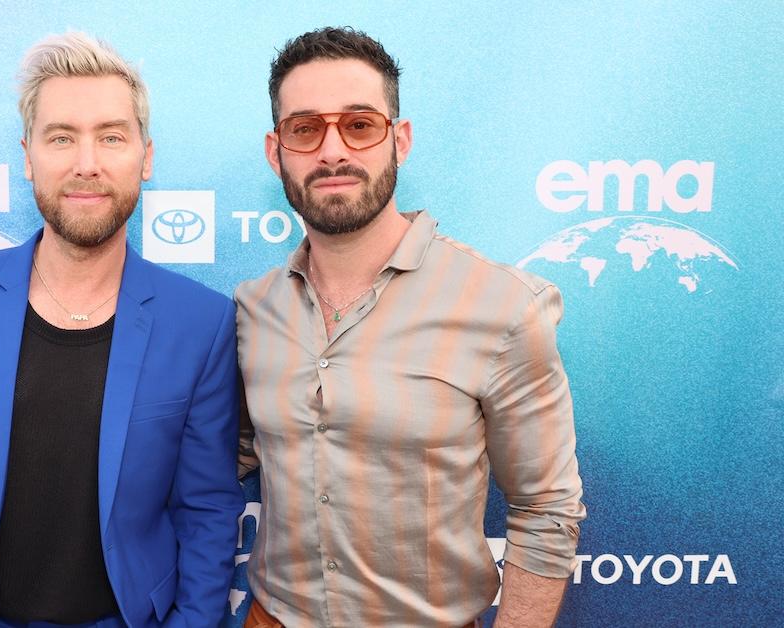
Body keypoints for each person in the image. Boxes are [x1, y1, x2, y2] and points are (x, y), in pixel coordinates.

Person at [0, 32, 244, 628]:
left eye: (112, 137)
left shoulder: (201, 322)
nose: (86, 163)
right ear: (27, 156)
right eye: (62, 137)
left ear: (146, 158)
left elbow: (206, 512)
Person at [235, 27, 586, 627]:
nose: (332, 151)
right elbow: (225, 454)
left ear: (399, 140)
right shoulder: (252, 309)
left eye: (360, 125)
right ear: (277, 152)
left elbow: (546, 508)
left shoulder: (503, 307)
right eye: (305, 129)